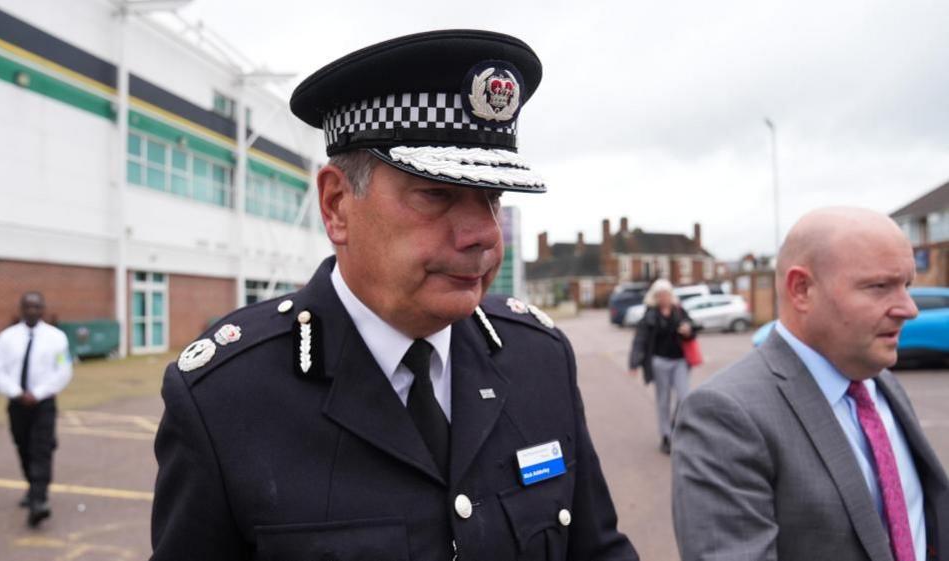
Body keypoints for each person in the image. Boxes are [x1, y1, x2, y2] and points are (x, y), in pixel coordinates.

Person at [149, 30, 638, 561]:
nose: (483, 234)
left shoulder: (539, 359)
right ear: (337, 204)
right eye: (437, 194)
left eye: (491, 198)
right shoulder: (226, 398)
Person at [672, 207, 949, 561]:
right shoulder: (724, 415)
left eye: (906, 285)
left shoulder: (882, 384)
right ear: (801, 289)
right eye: (880, 286)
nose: (909, 308)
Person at [0, 291, 72, 528]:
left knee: (41, 449)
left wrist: (38, 393)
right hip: (17, 404)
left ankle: (39, 501)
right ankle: (33, 487)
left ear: (43, 309)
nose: (32, 310)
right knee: (23, 445)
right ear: (21, 309)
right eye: (28, 306)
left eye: (36, 307)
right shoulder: (7, 338)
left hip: (43, 403)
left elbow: (63, 370)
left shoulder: (56, 338)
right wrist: (16, 392)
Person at [628, 279, 696, 454]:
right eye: (660, 295)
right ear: (655, 297)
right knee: (663, 400)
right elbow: (640, 340)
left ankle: (675, 423)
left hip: (680, 361)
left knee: (684, 396)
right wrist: (634, 362)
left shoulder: (679, 311)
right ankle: (666, 436)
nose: (664, 297)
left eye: (666, 294)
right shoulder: (650, 315)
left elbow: (693, 328)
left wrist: (688, 330)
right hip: (660, 362)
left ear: (670, 295)